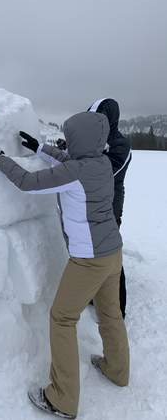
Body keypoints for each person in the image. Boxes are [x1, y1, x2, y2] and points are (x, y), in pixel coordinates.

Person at [0, 112, 130, 419]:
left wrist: (0, 160)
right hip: (113, 252)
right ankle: (117, 370)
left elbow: (28, 182)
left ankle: (63, 398)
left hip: (89, 258)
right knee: (110, 313)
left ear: (78, 139)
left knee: (62, 318)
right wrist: (41, 148)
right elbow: (69, 161)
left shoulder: (75, 172)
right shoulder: (103, 164)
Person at [88, 98, 131, 319]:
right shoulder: (93, 139)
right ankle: (91, 295)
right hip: (92, 207)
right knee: (91, 253)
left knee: (112, 258)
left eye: (100, 118)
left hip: (110, 209)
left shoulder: (120, 144)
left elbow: (105, 174)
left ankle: (118, 307)